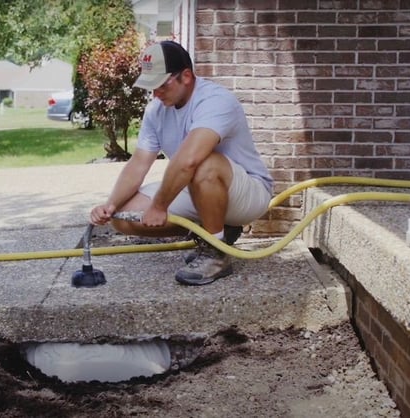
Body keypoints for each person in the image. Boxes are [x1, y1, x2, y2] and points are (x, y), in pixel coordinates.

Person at [89, 41, 273, 286]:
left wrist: (159, 205)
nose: (156, 93)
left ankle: (216, 252)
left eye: (161, 85)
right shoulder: (156, 111)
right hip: (198, 188)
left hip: (247, 194)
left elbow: (189, 161)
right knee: (123, 217)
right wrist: (110, 205)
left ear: (186, 76)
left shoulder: (215, 101)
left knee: (203, 163)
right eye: (150, 86)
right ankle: (216, 230)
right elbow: (138, 164)